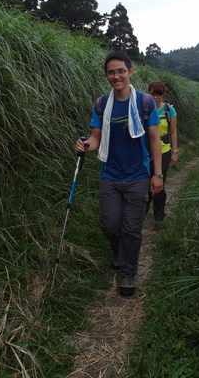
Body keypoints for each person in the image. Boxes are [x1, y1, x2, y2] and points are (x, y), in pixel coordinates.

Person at [75, 51, 163, 296]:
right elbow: (95, 138)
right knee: (110, 226)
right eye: (111, 72)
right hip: (111, 175)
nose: (116, 76)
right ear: (106, 75)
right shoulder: (102, 104)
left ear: (130, 72)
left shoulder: (144, 102)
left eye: (121, 71)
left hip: (138, 175)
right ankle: (117, 250)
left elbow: (154, 139)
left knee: (132, 229)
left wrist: (158, 174)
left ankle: (127, 274)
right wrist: (85, 144)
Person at [146, 81, 178, 227]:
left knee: (159, 182)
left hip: (164, 149)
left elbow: (173, 132)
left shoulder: (169, 110)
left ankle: (159, 216)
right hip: (146, 150)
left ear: (163, 95)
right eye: (152, 94)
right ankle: (142, 211)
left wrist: (175, 152)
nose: (155, 97)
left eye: (158, 94)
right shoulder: (144, 109)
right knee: (144, 182)